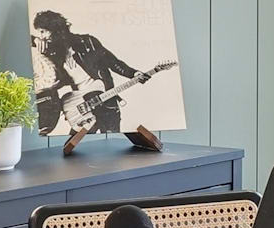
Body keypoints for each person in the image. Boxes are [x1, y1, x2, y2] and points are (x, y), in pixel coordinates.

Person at [31, 8, 173, 141]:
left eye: (43, 32)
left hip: (105, 100)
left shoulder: (88, 42)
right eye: (39, 33)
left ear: (56, 29)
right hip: (81, 106)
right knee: (74, 143)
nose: (42, 37)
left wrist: (133, 73)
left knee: (112, 139)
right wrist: (34, 40)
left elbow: (112, 62)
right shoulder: (54, 53)